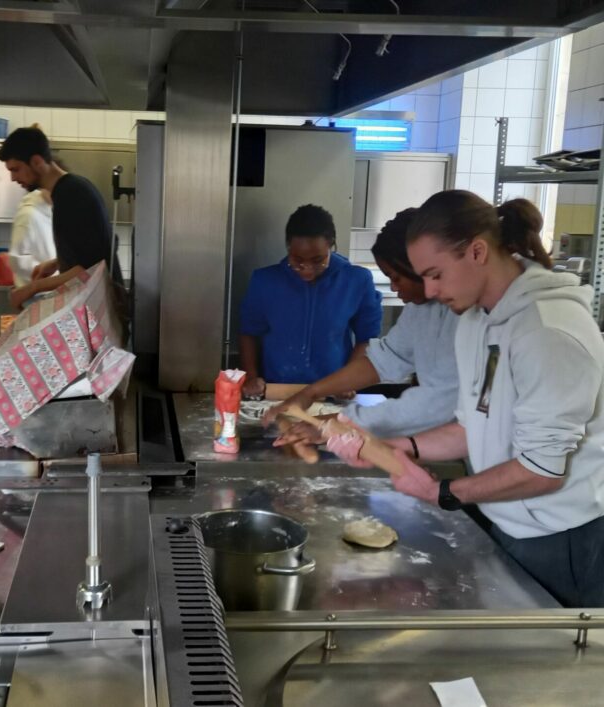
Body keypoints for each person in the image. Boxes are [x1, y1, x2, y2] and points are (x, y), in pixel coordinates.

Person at [329, 190, 604, 608]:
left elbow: (543, 470)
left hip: (565, 536)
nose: (429, 290)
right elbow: (470, 425)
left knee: (554, 646)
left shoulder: (547, 332)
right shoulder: (477, 320)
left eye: (436, 274)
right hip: (509, 518)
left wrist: (443, 491)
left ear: (477, 251)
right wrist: (397, 448)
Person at [265, 208, 459, 438]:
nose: (393, 287)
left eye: (396, 277)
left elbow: (432, 405)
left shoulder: (463, 316)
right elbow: (383, 360)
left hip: (459, 441)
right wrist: (310, 393)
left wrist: (335, 422)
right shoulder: (421, 309)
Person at [239, 204, 382, 394]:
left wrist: (348, 380)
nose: (307, 270)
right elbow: (248, 332)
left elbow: (367, 338)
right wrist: (251, 377)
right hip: (277, 391)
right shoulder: (265, 281)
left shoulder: (356, 280)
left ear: (331, 246)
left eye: (317, 260)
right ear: (288, 247)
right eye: (297, 260)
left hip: (333, 392)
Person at [0, 127, 123, 310]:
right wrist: (56, 263)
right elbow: (99, 246)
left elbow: (87, 270)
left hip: (97, 311)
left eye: (16, 169)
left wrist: (32, 288)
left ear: (37, 162)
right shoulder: (72, 188)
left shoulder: (70, 195)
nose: (12, 178)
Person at [8, 186, 55, 287]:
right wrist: (50, 274)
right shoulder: (28, 215)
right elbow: (17, 260)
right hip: (36, 291)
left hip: (55, 288)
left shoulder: (54, 211)